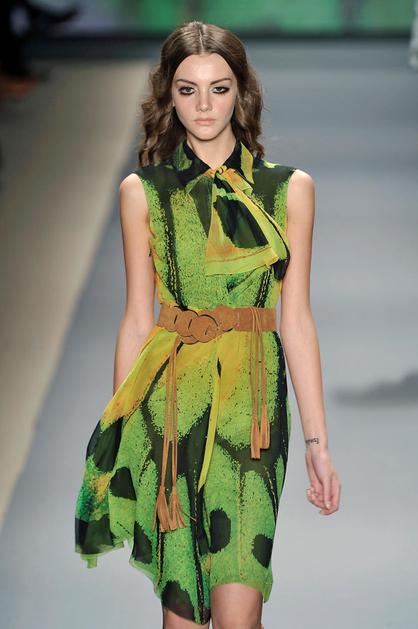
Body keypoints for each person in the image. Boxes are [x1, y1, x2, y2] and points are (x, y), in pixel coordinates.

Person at [74, 20, 341, 629]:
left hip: (253, 412)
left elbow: (296, 318)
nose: (203, 105)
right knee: (184, 621)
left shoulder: (289, 190)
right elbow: (137, 319)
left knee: (239, 612)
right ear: (168, 96)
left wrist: (318, 444)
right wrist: (122, 438)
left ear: (241, 93)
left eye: (219, 88)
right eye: (187, 89)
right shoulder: (142, 193)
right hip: (171, 410)